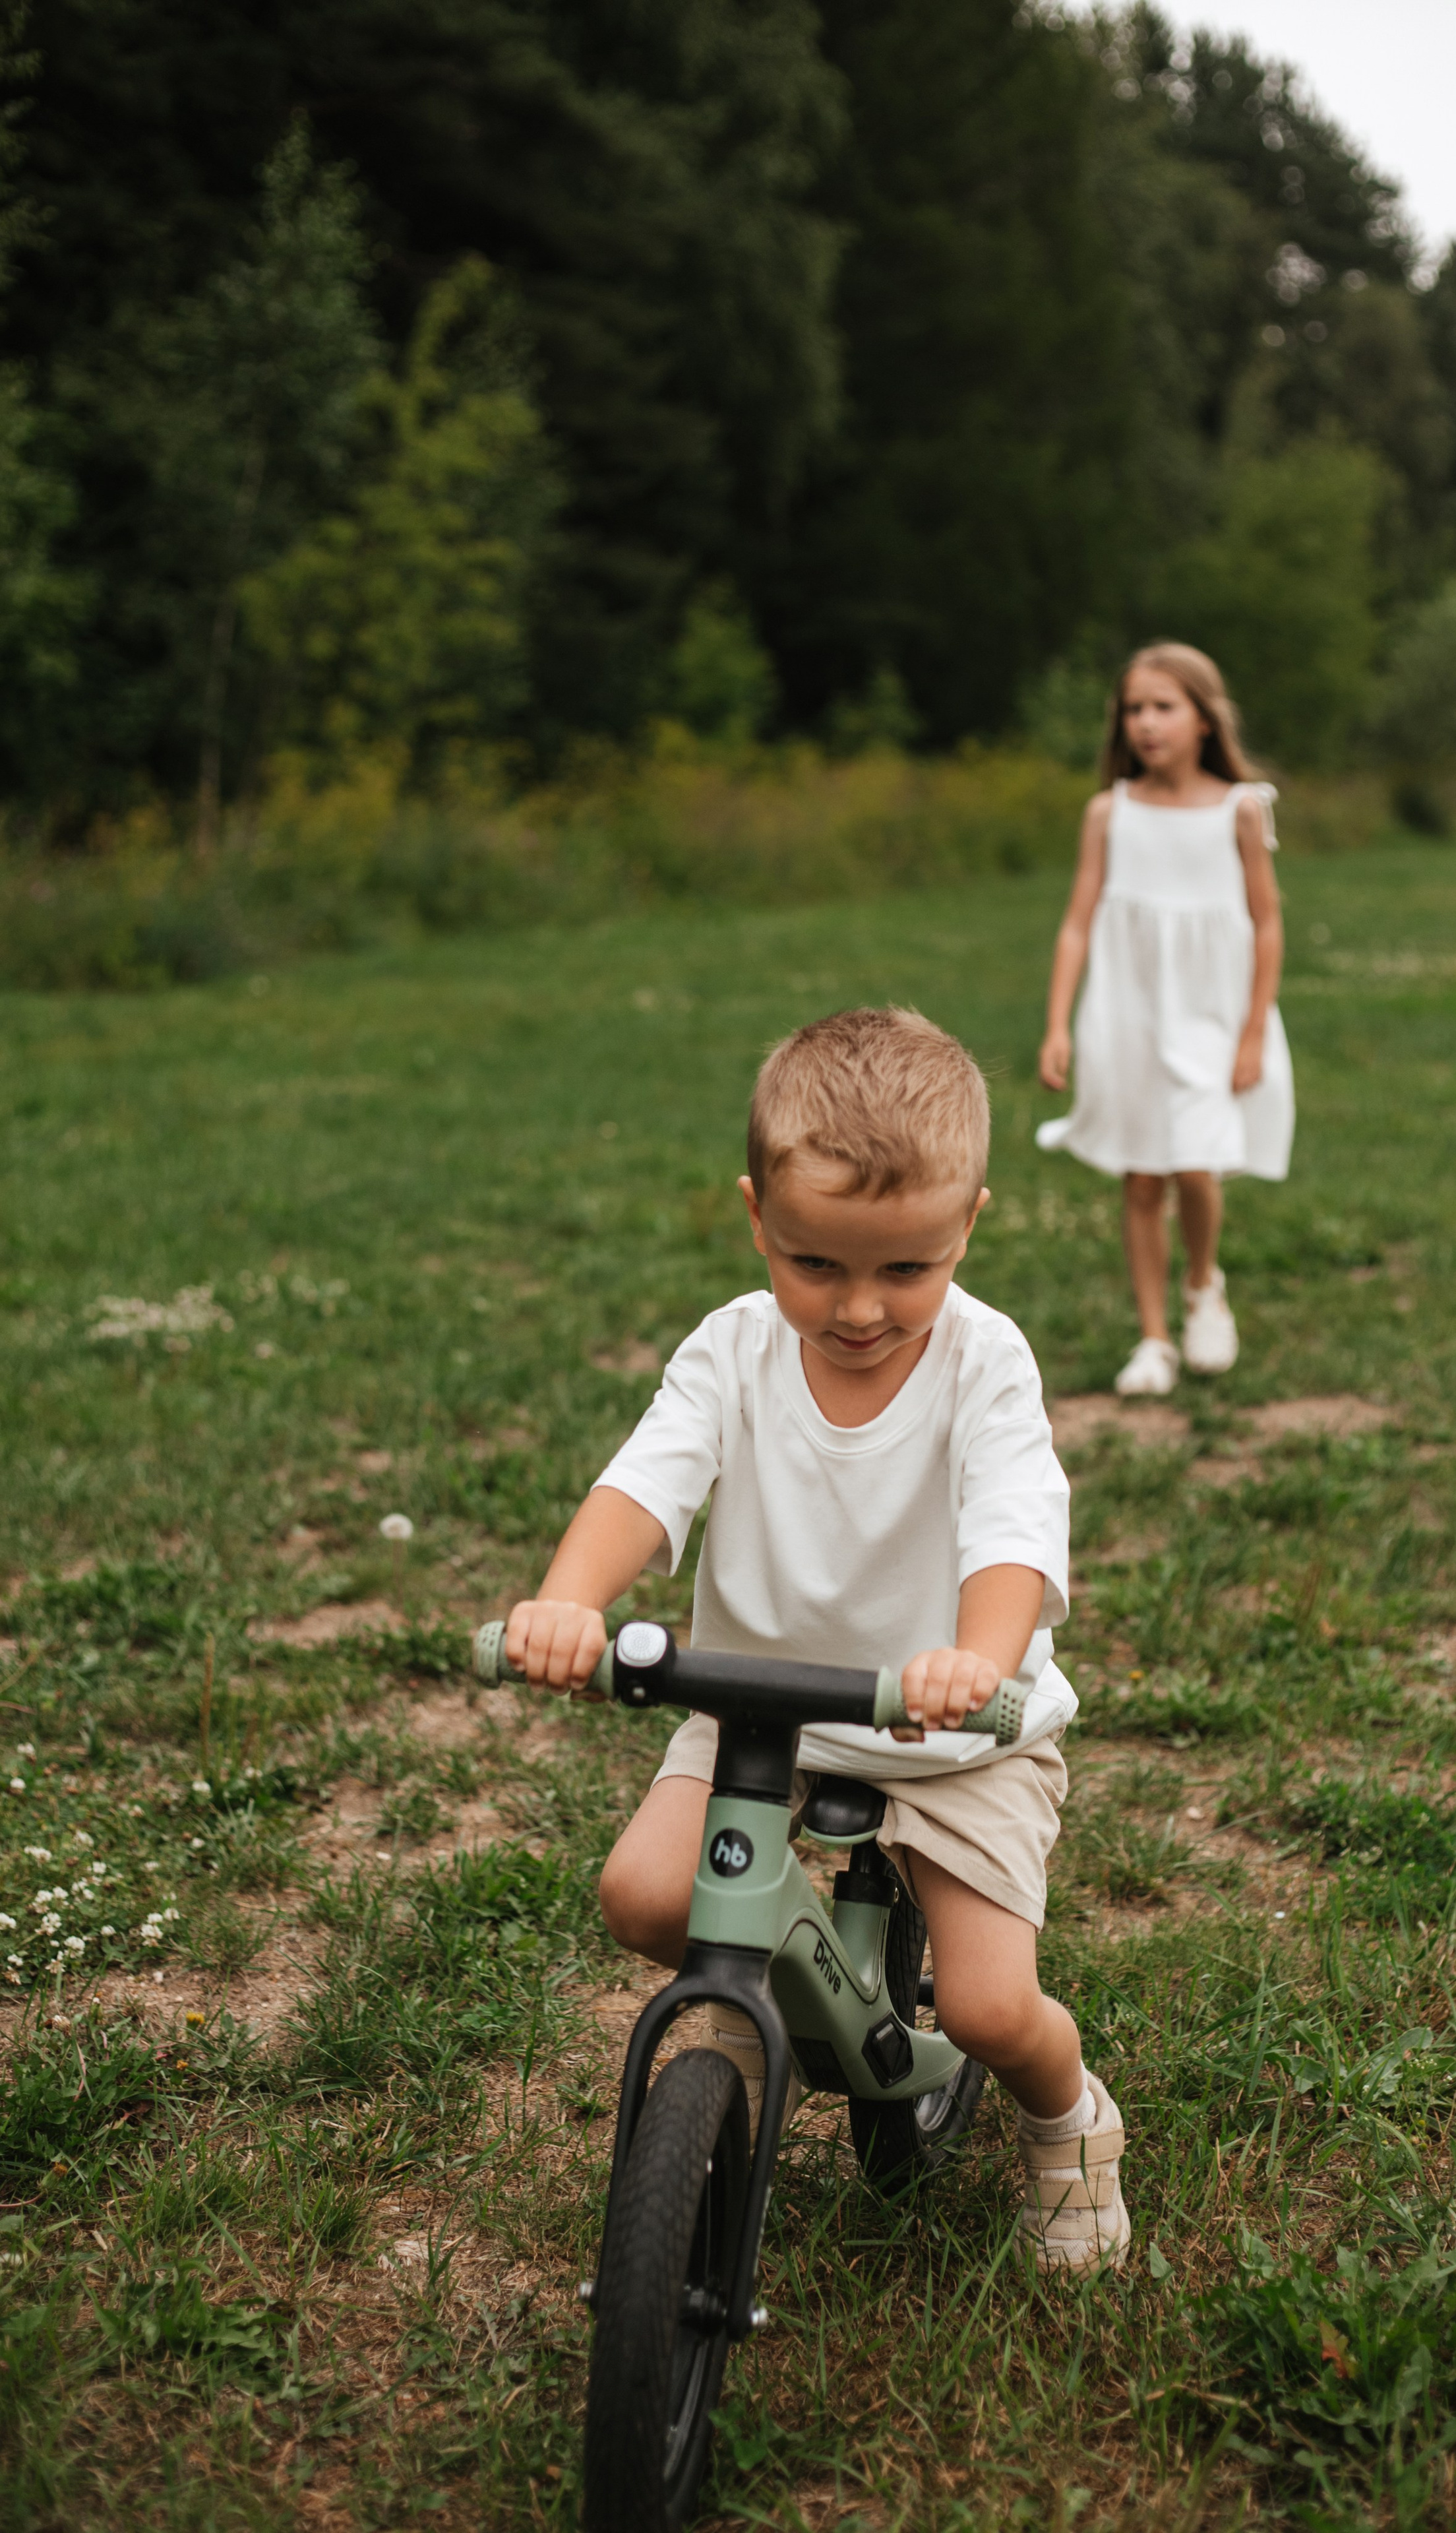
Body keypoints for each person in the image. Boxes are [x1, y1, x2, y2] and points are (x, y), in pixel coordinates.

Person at [505, 1007, 1128, 2276]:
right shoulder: (733, 1352)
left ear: (969, 1227)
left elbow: (1013, 1532)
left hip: (957, 1732)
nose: (857, 1308)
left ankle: (1070, 2121)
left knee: (991, 2007)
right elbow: (645, 1485)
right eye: (815, 1264)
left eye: (906, 1268)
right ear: (757, 1220)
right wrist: (570, 1597)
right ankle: (771, 1992)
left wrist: (977, 1659)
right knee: (644, 1895)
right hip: (761, 1708)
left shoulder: (984, 1364)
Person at [1036, 642, 1293, 1397]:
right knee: (1142, 1176)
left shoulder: (1239, 809)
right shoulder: (1108, 813)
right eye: (1133, 709)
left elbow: (1267, 923)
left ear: (1204, 719)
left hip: (1212, 1015)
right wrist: (1057, 1024)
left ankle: (1203, 1284)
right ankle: (1153, 1340)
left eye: (1163, 707)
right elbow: (1077, 923)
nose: (1145, 723)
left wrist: (1252, 1030)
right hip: (1128, 1015)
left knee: (1196, 1159)